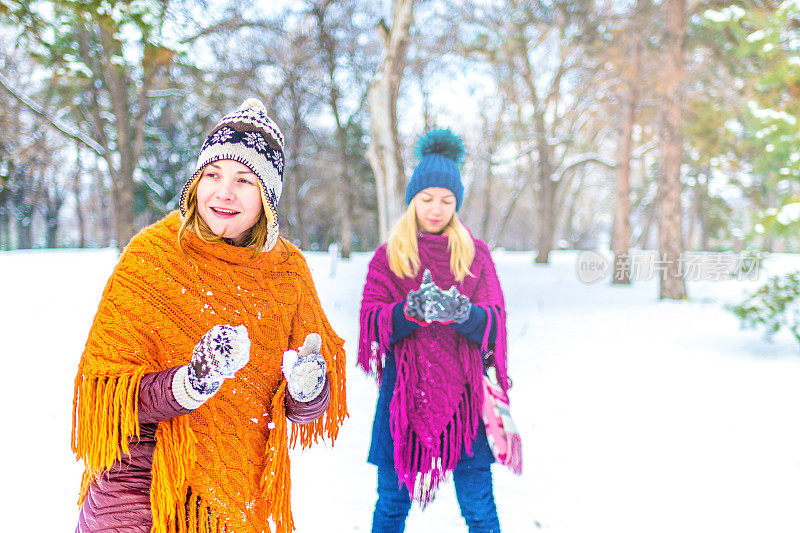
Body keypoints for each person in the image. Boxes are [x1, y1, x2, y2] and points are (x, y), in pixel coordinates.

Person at [71, 99, 346, 533]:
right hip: (141, 483)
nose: (224, 193)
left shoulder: (287, 272)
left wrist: (309, 389)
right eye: (213, 175)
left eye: (244, 180)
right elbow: (109, 394)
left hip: (230, 499)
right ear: (197, 181)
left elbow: (300, 408)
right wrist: (190, 383)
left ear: (268, 198)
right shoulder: (152, 256)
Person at [358, 129, 511, 532]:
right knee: (391, 505)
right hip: (403, 399)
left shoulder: (475, 255)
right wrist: (410, 311)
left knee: (479, 506)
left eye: (446, 200)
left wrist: (465, 313)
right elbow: (372, 321)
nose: (436, 208)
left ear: (456, 204)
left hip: (465, 403)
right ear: (412, 200)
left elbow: (494, 321)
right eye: (427, 199)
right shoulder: (389, 256)